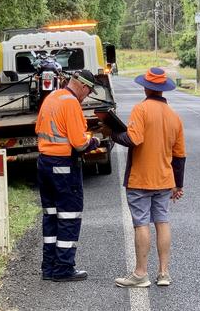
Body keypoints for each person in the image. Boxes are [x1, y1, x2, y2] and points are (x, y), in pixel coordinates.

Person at [111, 67, 186, 288]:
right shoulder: (174, 117)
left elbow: (133, 139)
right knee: (162, 222)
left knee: (141, 224)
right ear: (162, 89)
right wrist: (178, 185)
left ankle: (140, 273)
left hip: (140, 179)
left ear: (146, 87)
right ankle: (164, 273)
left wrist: (112, 134)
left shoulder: (140, 110)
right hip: (164, 180)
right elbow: (179, 156)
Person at [35, 69, 101, 282]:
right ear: (82, 86)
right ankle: (63, 269)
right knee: (69, 216)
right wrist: (95, 141)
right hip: (63, 166)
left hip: (44, 163)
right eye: (88, 92)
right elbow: (79, 143)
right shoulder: (71, 103)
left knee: (51, 216)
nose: (87, 96)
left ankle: (49, 267)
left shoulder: (52, 97)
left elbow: (41, 129)